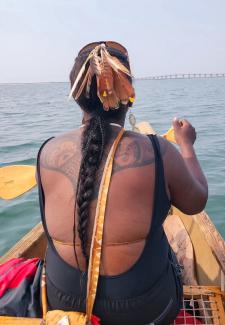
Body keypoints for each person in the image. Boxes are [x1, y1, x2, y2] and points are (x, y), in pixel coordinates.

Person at [36, 41, 208, 325]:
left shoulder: (47, 152)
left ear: (77, 95)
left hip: (61, 301)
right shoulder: (157, 151)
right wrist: (186, 146)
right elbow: (196, 202)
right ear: (127, 94)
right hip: (144, 310)